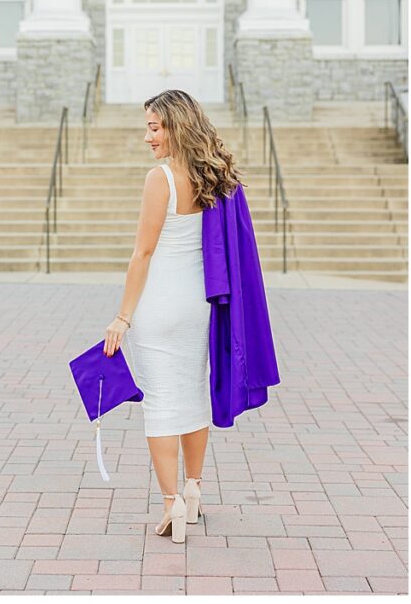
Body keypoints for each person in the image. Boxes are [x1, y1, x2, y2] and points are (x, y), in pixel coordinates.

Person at [101, 89, 244, 544]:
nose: (149, 136)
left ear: (176, 126)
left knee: (161, 401)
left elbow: (142, 254)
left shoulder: (159, 178)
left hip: (160, 305)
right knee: (191, 394)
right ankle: (194, 489)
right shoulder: (216, 176)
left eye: (155, 126)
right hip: (198, 305)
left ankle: (171, 505)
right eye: (148, 126)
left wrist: (122, 317)